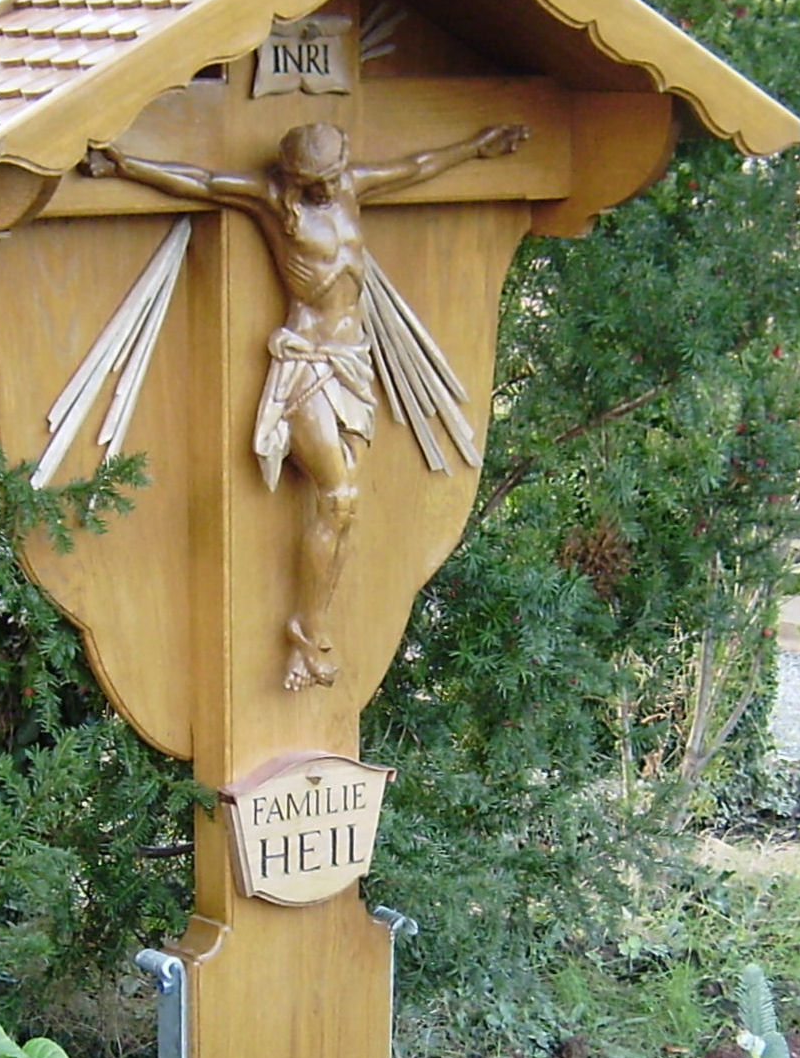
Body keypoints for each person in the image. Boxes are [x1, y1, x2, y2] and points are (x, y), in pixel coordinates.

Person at [83, 118, 529, 691]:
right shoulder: (274, 202)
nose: (327, 187)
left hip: (354, 362)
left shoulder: (351, 188)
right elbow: (200, 181)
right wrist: (123, 163)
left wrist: (477, 144)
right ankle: (306, 630)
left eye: (333, 174)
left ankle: (308, 629)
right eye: (316, 179)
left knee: (344, 510)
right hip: (308, 363)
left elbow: (416, 168)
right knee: (339, 498)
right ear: (294, 177)